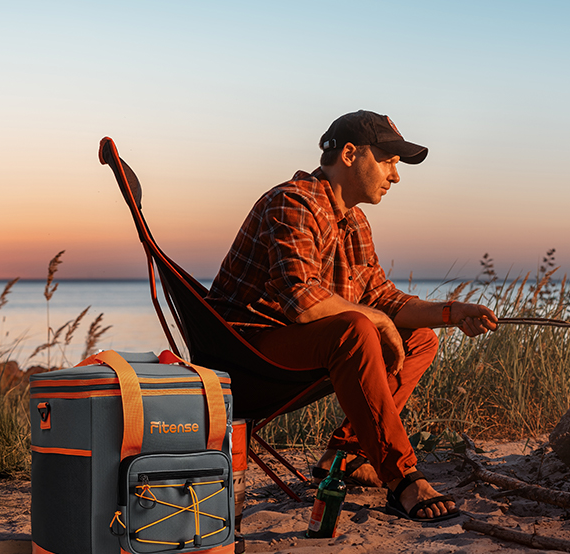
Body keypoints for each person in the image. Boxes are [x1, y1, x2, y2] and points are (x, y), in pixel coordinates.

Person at [207, 110, 498, 521]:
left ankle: (344, 456)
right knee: (357, 327)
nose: (395, 176)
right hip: (247, 355)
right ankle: (402, 478)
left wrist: (452, 312)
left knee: (419, 338)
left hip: (296, 348)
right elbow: (303, 300)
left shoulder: (354, 221)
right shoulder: (292, 202)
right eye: (388, 161)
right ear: (349, 154)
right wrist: (376, 320)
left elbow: (385, 299)